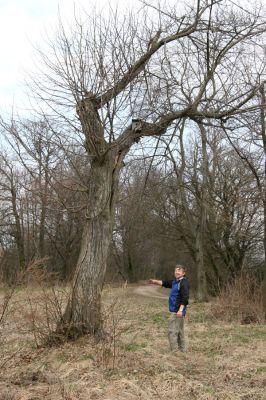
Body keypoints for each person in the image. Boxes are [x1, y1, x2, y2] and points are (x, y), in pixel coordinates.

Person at [149, 264, 189, 353]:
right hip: (177, 311)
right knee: (179, 331)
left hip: (177, 311)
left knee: (172, 331)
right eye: (176, 270)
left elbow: (185, 298)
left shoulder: (183, 283)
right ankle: (182, 350)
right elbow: (165, 283)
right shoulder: (176, 282)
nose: (177, 272)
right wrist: (154, 281)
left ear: (183, 273)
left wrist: (180, 310)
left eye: (179, 270)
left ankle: (174, 351)